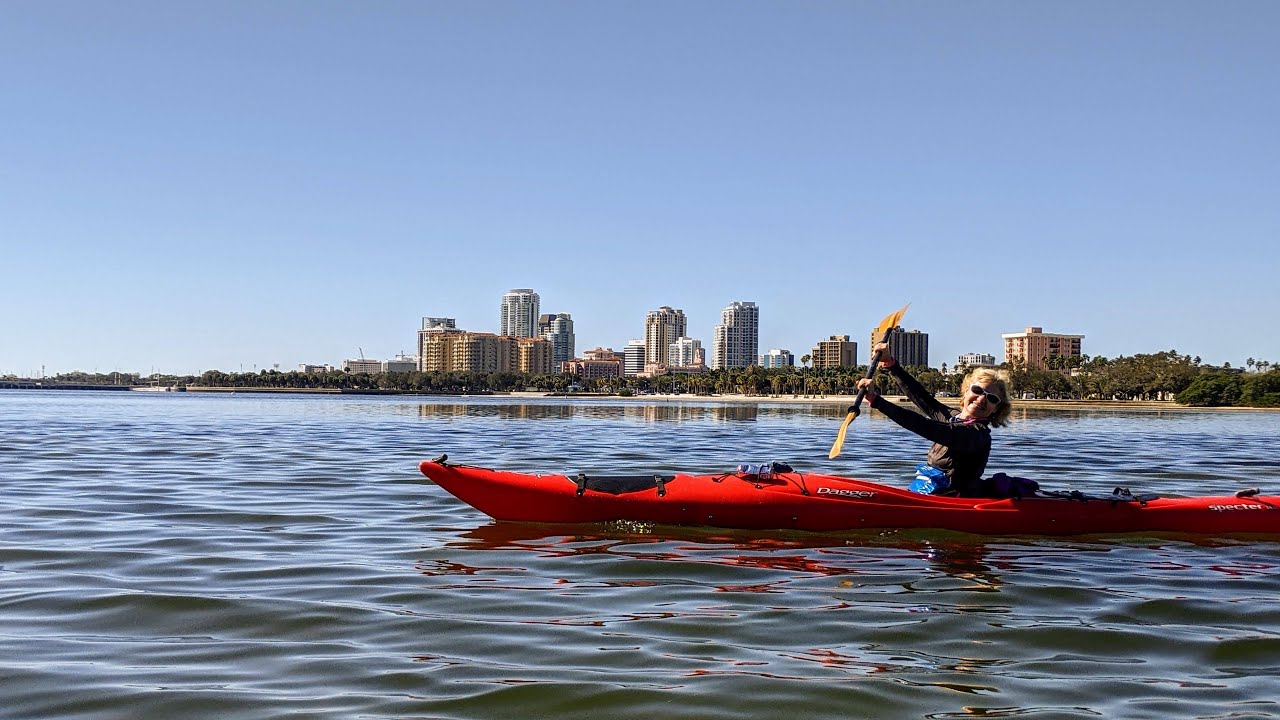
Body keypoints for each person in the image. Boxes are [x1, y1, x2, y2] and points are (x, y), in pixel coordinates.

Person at [855, 342, 1012, 497]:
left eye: (991, 398)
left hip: (956, 501)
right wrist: (890, 363)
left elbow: (925, 426)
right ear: (966, 391)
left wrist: (877, 401)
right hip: (933, 492)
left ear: (996, 409)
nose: (982, 399)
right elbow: (921, 397)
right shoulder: (952, 417)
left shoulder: (976, 435)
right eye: (977, 390)